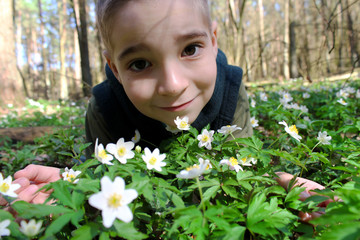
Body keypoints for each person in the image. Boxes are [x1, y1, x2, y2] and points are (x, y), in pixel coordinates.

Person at [0, 0, 329, 222]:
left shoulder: (231, 89)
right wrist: (73, 187)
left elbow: (242, 168)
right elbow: (102, 180)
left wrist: (282, 182)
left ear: (214, 41)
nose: (172, 85)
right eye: (140, 63)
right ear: (115, 69)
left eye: (190, 49)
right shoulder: (104, 108)